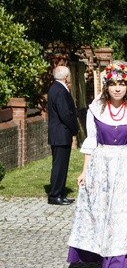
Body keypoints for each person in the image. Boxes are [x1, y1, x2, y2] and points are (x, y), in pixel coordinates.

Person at [67, 61, 127, 268]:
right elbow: (91, 142)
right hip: (101, 168)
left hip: (126, 168)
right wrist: (84, 171)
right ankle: (104, 259)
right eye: (113, 84)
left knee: (122, 216)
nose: (117, 88)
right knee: (102, 214)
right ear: (106, 86)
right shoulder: (96, 110)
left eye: (121, 84)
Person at [47, 65, 79, 205]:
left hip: (59, 133)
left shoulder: (56, 88)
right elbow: (65, 113)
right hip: (61, 133)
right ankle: (55, 195)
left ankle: (58, 192)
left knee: (60, 165)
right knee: (60, 166)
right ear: (66, 76)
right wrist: (74, 129)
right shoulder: (59, 90)